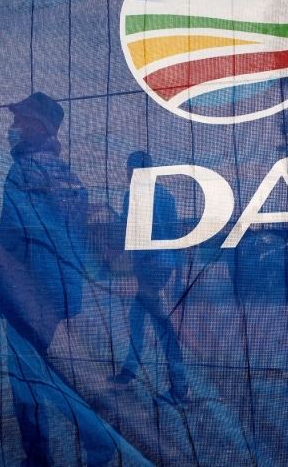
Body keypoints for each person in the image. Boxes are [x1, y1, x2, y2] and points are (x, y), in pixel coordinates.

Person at [0, 92, 119, 467]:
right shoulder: (69, 175)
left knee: (28, 377)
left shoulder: (24, 171)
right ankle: (65, 447)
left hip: (26, 293)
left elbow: (12, 237)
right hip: (59, 293)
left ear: (38, 126)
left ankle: (74, 445)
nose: (11, 128)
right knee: (36, 371)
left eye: (19, 120)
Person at [107, 151, 188, 404]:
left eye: (130, 169)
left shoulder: (133, 195)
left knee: (159, 323)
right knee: (139, 317)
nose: (127, 174)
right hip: (162, 265)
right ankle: (129, 372)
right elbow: (176, 234)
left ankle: (179, 386)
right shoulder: (166, 195)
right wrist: (178, 275)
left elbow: (127, 229)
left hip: (149, 266)